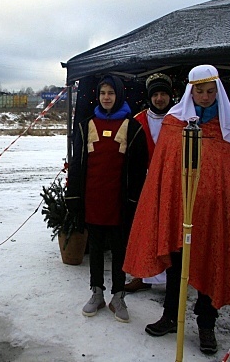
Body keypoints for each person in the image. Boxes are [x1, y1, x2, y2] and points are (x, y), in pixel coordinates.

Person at [123, 65, 230, 355]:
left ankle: (206, 324)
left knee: (209, 261)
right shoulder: (174, 124)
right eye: (199, 91)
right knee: (178, 266)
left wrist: (226, 200)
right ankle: (171, 316)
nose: (205, 97)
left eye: (210, 91)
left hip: (212, 212)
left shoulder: (228, 128)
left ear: (218, 91)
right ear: (191, 91)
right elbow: (163, 172)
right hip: (180, 211)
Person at [65, 74, 148, 323]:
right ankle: (97, 293)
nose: (106, 97)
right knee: (97, 249)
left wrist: (133, 201)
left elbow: (138, 169)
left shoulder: (133, 127)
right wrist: (75, 197)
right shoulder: (86, 125)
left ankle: (119, 296)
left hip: (119, 203)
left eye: (111, 93)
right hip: (93, 201)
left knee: (120, 251)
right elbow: (78, 165)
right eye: (103, 93)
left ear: (119, 95)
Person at [124, 73, 175, 293]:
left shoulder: (178, 120)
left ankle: (171, 278)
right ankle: (142, 276)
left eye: (163, 94)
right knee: (144, 231)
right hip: (145, 186)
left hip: (172, 186)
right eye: (155, 94)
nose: (159, 98)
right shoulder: (138, 121)